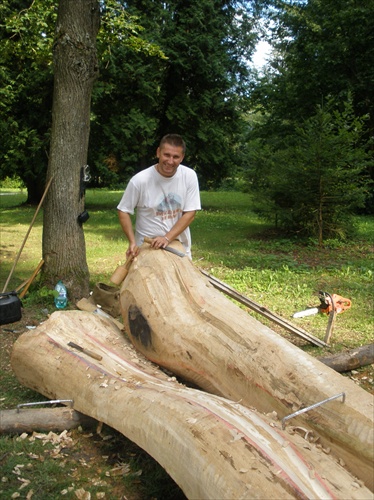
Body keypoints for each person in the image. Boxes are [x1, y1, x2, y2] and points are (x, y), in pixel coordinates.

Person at [117, 134, 201, 259]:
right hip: (147, 245)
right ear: (158, 153)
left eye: (176, 157)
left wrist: (167, 238)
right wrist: (132, 242)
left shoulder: (189, 176)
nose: (170, 161)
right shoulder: (140, 180)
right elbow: (123, 210)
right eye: (166, 155)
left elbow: (190, 213)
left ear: (182, 157)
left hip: (178, 245)